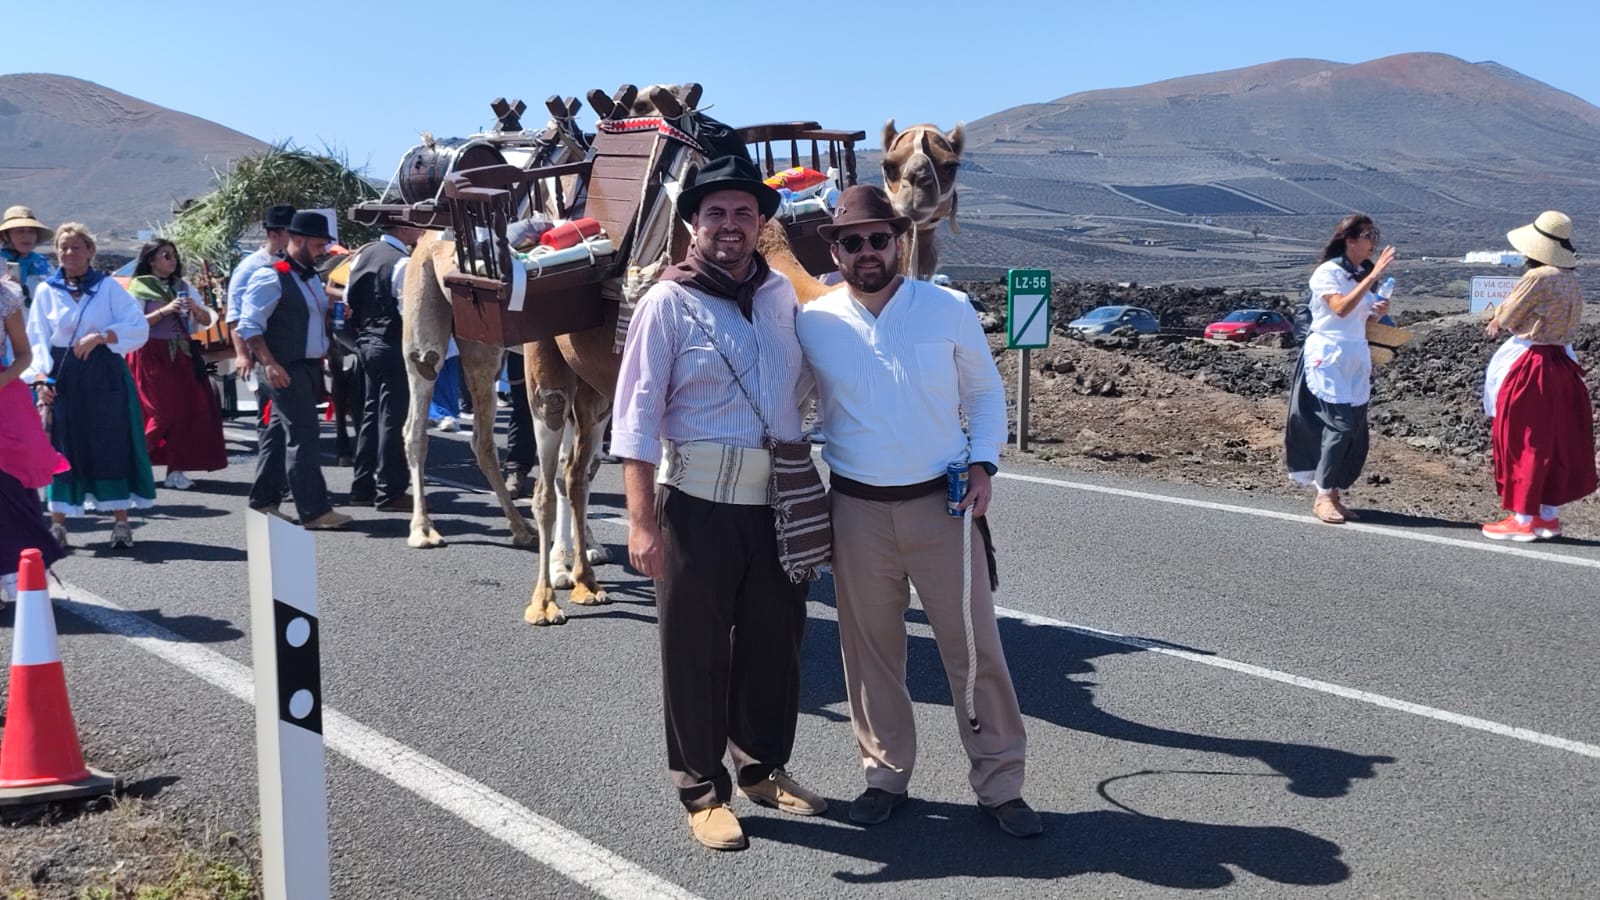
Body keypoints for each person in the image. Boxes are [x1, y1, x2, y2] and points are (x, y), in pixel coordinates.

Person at [794, 185, 1038, 837]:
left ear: (900, 241)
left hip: (944, 506)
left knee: (974, 650)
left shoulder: (947, 308)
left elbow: (984, 393)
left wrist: (984, 463)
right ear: (835, 251)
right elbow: (787, 402)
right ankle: (884, 776)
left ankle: (1000, 784)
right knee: (870, 653)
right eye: (852, 241)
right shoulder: (815, 321)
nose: (867, 251)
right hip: (856, 510)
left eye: (879, 238)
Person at [613, 155, 825, 852]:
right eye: (715, 213)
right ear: (692, 225)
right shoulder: (666, 304)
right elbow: (636, 416)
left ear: (761, 224)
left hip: (776, 505)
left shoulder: (782, 298)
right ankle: (702, 791)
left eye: (743, 213)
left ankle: (763, 768)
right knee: (695, 651)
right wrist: (641, 524)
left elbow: (815, 378)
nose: (729, 225)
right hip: (696, 504)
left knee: (775, 643)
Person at [25, 223, 154, 549]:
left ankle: (121, 523)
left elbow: (136, 324)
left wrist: (102, 336)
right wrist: (40, 379)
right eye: (63, 247)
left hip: (104, 372)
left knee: (111, 441)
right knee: (63, 444)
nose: (69, 253)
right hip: (62, 375)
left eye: (76, 247)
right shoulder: (47, 291)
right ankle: (58, 524)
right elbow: (37, 337)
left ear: (90, 251)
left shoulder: (108, 288)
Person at [1480, 211, 1596, 541]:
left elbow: (1510, 317)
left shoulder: (1537, 277)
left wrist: (1500, 317)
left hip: (1531, 365)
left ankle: (1522, 518)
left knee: (1524, 438)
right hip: (1562, 364)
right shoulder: (1569, 278)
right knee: (1555, 441)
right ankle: (1547, 516)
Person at [235, 211, 350, 529]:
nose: (323, 251)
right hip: (284, 368)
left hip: (306, 367)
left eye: (324, 245)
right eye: (318, 245)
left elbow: (309, 310)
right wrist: (269, 363)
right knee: (304, 436)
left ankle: (263, 503)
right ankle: (314, 512)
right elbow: (249, 325)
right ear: (297, 240)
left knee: (276, 437)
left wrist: (336, 310)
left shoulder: (309, 277)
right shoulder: (271, 276)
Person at [1284, 214, 1395, 524]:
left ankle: (1333, 493)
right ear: (1349, 240)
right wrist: (1373, 278)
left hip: (1355, 354)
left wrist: (1377, 311)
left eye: (1375, 235)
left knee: (1354, 427)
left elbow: (1359, 318)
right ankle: (1322, 496)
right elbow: (1340, 308)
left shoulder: (1360, 274)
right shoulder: (1328, 272)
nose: (1373, 242)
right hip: (1328, 354)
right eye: (1368, 235)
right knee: (1339, 425)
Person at [126, 239, 227, 490]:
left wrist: (196, 310)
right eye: (166, 255)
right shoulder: (138, 288)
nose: (172, 260)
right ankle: (131, 465)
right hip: (151, 356)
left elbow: (206, 320)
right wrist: (165, 310)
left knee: (185, 413)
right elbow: (134, 325)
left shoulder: (183, 286)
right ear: (151, 259)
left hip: (181, 355)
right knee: (159, 413)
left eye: (173, 255)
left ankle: (176, 470)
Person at [346, 218, 422, 511]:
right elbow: (408, 312)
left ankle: (362, 486)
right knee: (393, 418)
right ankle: (390, 491)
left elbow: (348, 297)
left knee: (370, 415)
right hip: (391, 343)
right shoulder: (402, 263)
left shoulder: (363, 255)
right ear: (403, 229)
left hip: (366, 341)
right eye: (416, 225)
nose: (420, 230)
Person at [0, 273, 67, 603]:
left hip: (3, 396)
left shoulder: (5, 297)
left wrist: (2, 382)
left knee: (9, 482)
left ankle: (15, 570)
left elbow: (24, 355)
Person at [229, 204, 295, 462]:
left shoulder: (292, 265)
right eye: (291, 232)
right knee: (269, 416)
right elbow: (236, 315)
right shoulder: (250, 268)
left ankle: (285, 471)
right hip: (263, 351)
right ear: (274, 234)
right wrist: (242, 354)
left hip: (290, 351)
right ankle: (271, 474)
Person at [1, 206, 55, 367]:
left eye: (31, 231)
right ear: (5, 235)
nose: (26, 236)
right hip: (6, 341)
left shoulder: (44, 265)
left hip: (40, 338)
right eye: (20, 231)